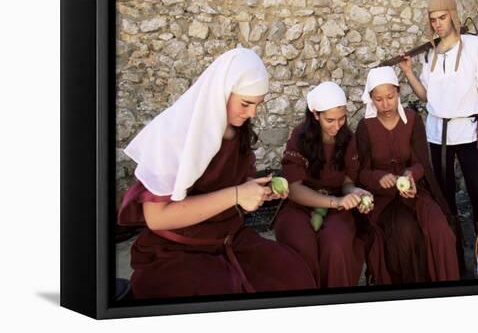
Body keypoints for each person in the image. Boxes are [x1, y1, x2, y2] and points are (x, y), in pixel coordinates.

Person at [117, 47, 316, 299]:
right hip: (178, 248)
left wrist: (255, 189)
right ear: (220, 93)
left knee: (292, 275)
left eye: (257, 105)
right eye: (245, 103)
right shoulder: (172, 135)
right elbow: (157, 218)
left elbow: (229, 182)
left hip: (228, 238)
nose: (252, 113)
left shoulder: (238, 130)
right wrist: (236, 195)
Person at [398, 0, 478, 257]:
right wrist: (408, 72)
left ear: (453, 16)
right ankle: (453, 259)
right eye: (433, 19)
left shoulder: (473, 45)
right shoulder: (429, 54)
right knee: (444, 198)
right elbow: (426, 96)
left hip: (469, 133)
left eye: (442, 17)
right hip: (438, 137)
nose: (437, 23)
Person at [355, 67, 459, 285]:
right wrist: (378, 177)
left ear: (399, 92)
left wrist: (411, 174)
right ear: (371, 99)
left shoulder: (412, 120)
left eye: (390, 97)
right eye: (379, 99)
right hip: (383, 199)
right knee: (404, 232)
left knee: (442, 232)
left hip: (414, 192)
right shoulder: (365, 127)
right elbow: (361, 173)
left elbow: (422, 162)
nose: (385, 105)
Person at [273, 82, 371, 288]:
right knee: (302, 245)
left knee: (337, 244)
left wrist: (356, 192)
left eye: (342, 118)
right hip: (300, 206)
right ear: (315, 115)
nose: (337, 126)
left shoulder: (348, 139)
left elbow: (347, 182)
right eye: (330, 120)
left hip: (338, 205)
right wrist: (335, 202)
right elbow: (294, 189)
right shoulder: (300, 137)